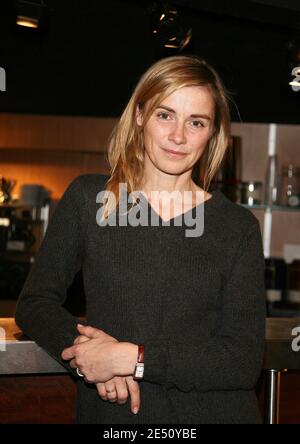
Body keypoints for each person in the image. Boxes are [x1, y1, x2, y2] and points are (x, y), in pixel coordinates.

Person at [15, 55, 266, 424]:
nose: (178, 136)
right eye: (165, 115)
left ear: (212, 133)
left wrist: (133, 359)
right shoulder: (89, 201)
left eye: (196, 122)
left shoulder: (237, 227)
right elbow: (35, 302)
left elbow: (242, 361)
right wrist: (89, 356)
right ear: (139, 115)